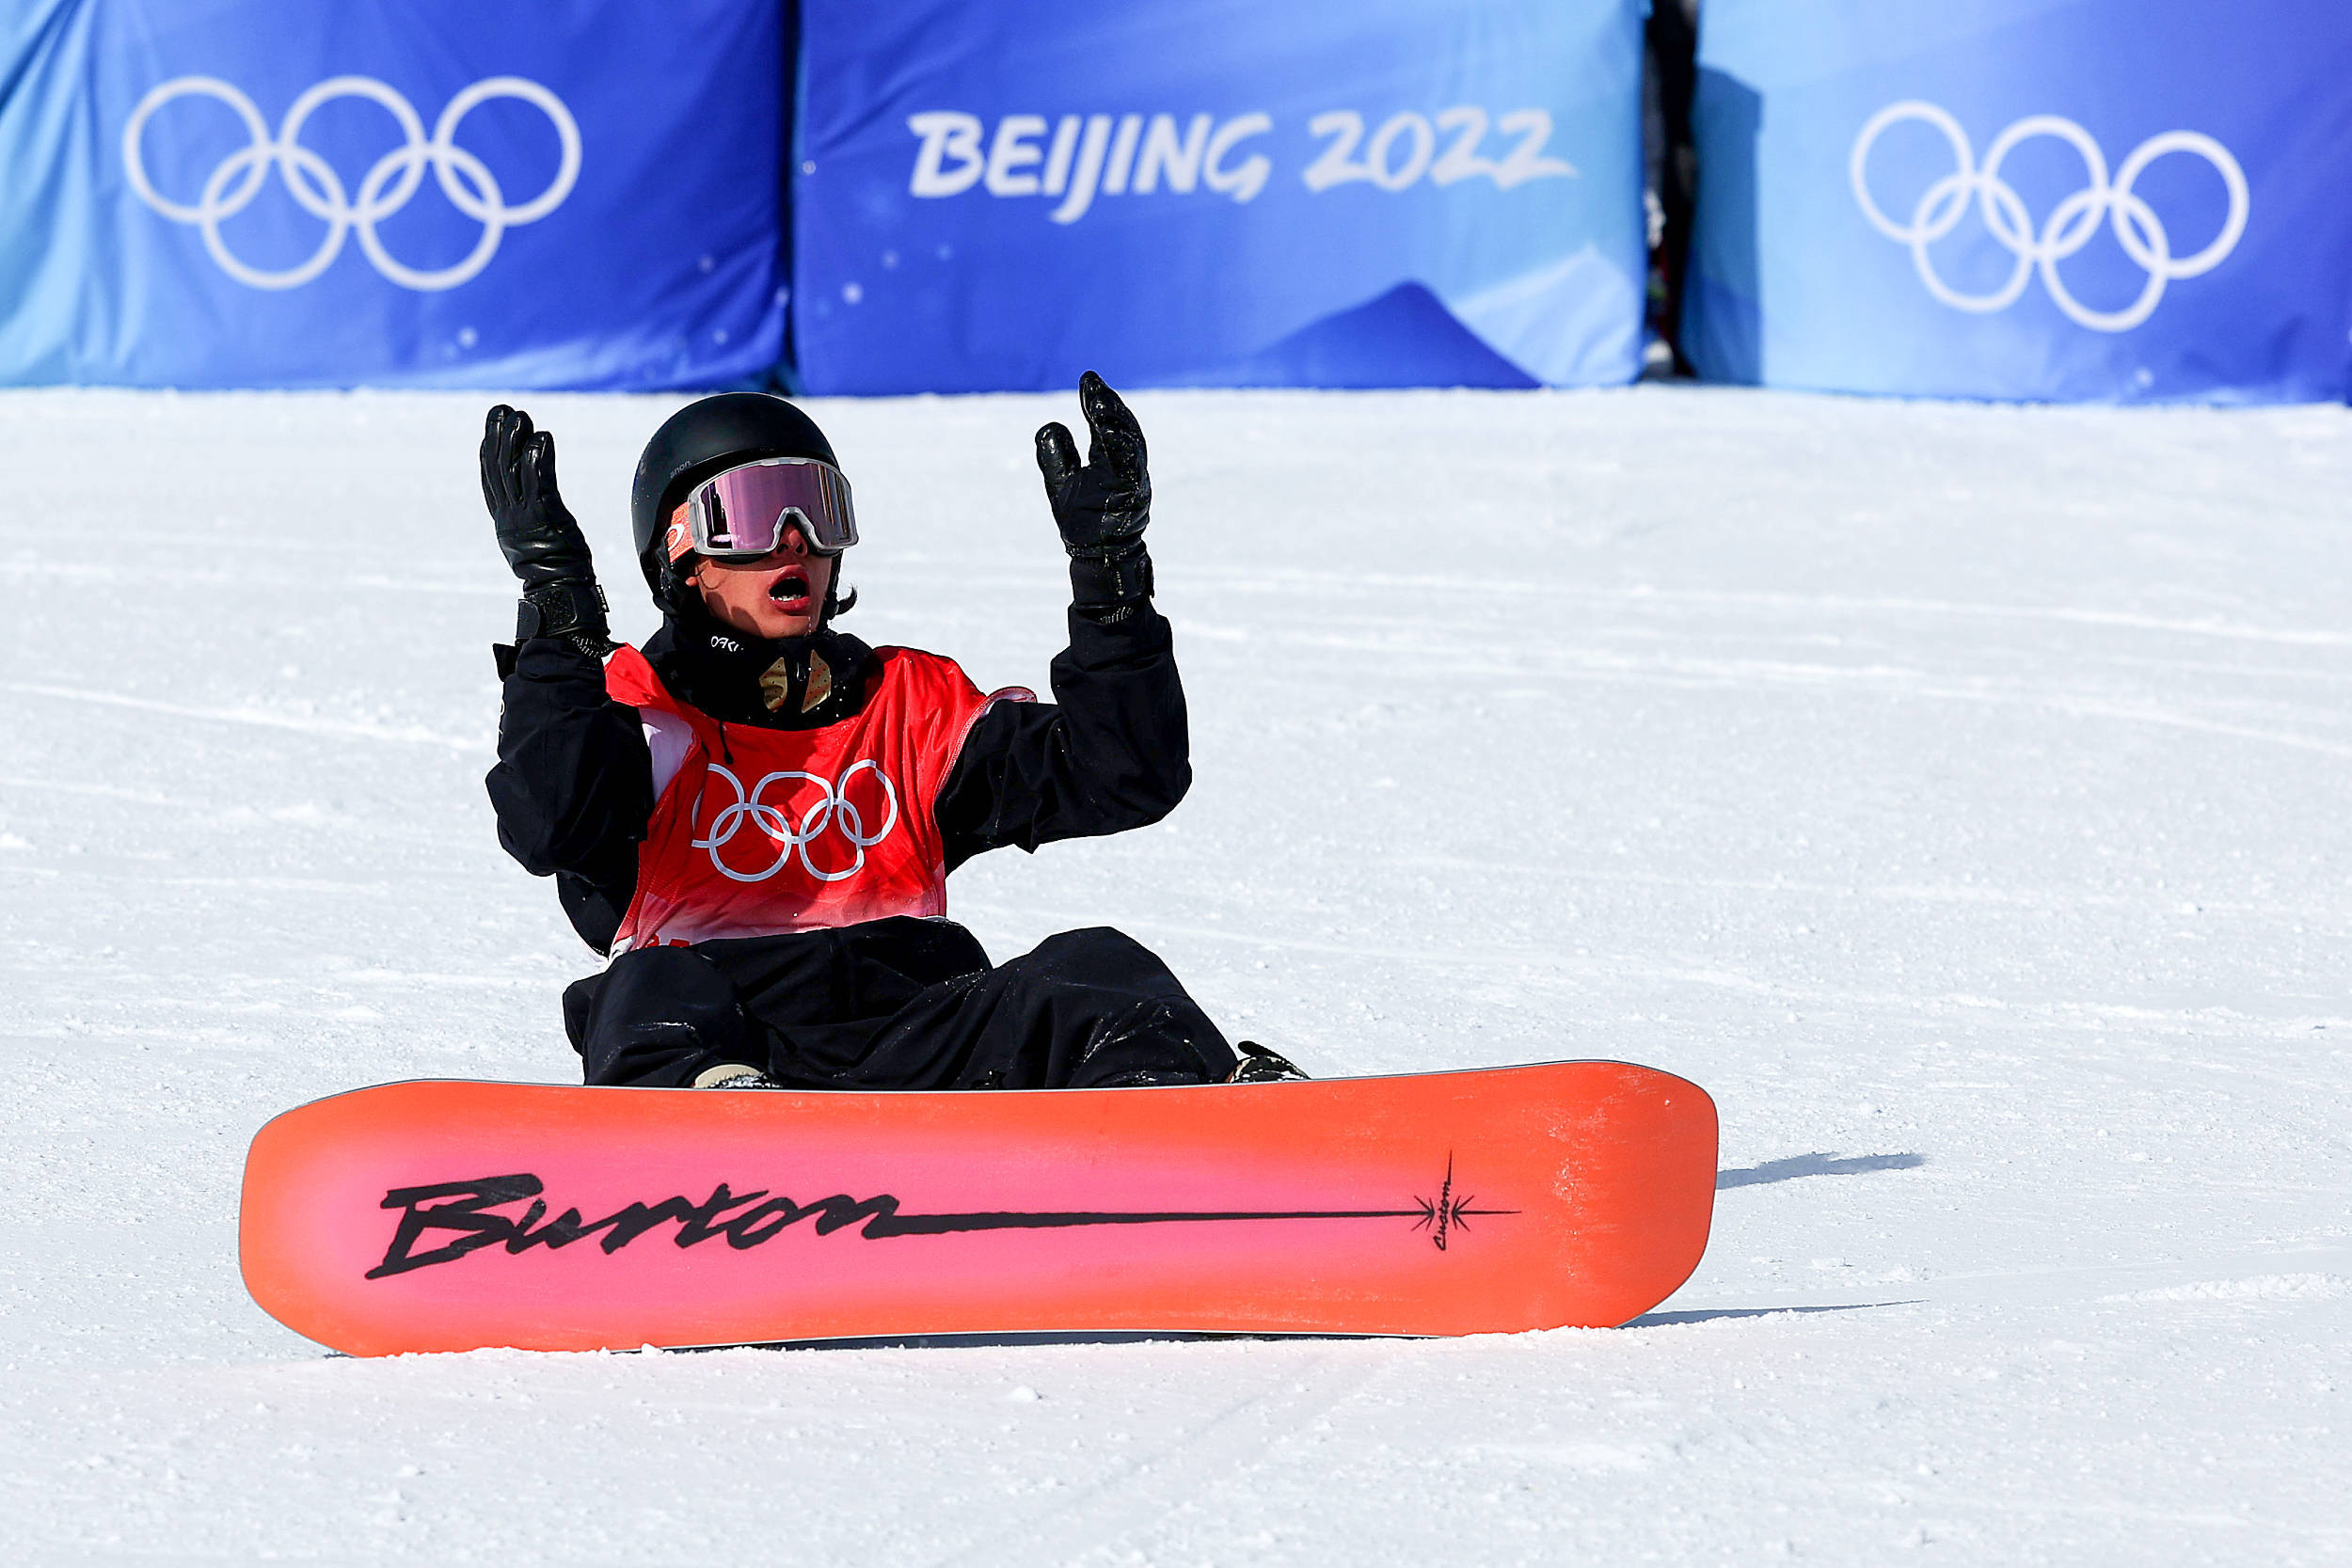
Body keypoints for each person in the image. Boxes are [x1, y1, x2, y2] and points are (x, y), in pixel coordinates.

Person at [480, 372, 1304, 1092]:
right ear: (681, 555)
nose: (795, 538)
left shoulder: (912, 705)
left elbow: (1128, 771)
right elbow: (549, 817)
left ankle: (1200, 1128)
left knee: (1095, 967)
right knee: (648, 988)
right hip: (730, 1046)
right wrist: (560, 613)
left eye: (818, 507)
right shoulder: (636, 706)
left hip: (922, 1046)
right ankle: (725, 1127)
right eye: (757, 512)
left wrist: (1111, 582)